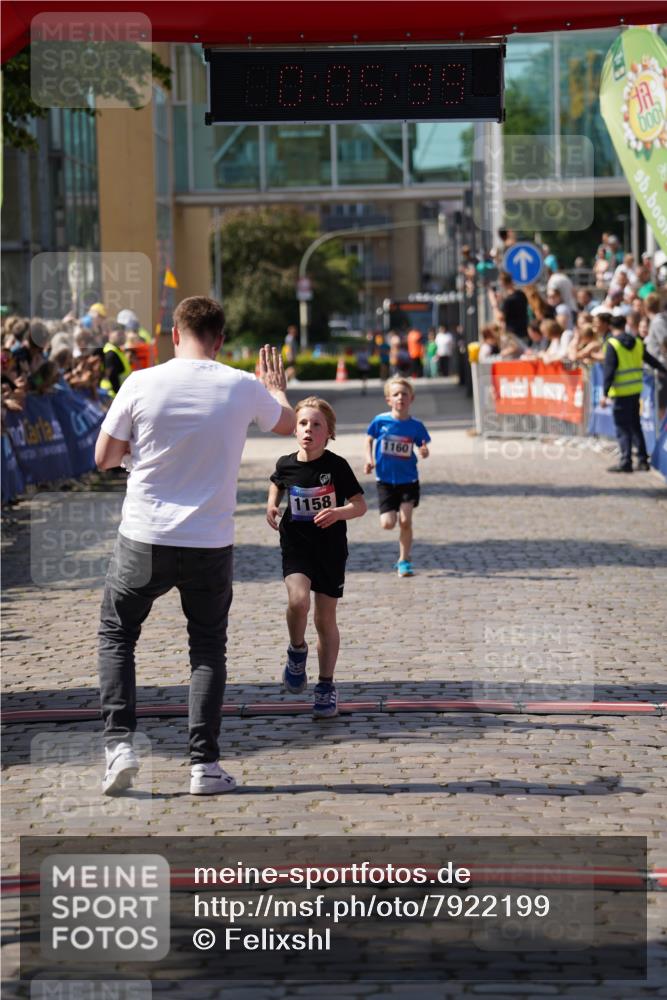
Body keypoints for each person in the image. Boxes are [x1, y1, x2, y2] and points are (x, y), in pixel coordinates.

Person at [95, 296, 295, 796]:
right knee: (207, 648)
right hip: (209, 540)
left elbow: (102, 457)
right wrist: (276, 389)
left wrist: (132, 456)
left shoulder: (140, 382)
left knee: (118, 635)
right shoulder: (242, 386)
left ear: (174, 333)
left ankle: (119, 745)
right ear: (220, 340)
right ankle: (204, 766)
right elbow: (290, 426)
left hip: (144, 535)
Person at [267, 397, 366, 719]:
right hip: (296, 545)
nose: (309, 429)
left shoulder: (336, 466)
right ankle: (297, 649)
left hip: (330, 550)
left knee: (325, 620)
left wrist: (338, 513)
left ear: (329, 433)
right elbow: (276, 484)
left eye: (317, 425)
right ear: (295, 430)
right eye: (303, 424)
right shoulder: (285, 463)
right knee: (298, 601)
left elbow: (359, 505)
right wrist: (271, 505)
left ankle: (325, 686)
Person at [365, 376, 430, 578]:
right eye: (396, 394)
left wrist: (424, 450)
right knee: (388, 523)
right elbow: (368, 440)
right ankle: (402, 558)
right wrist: (368, 459)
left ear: (411, 398)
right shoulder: (380, 421)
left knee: (405, 521)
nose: (400, 397)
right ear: (388, 399)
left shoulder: (416, 426)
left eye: (404, 394)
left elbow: (422, 444)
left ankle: (404, 560)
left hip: (408, 480)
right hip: (384, 480)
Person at [600, 314, 667, 472]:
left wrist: (604, 393)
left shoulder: (612, 344)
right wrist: (664, 370)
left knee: (622, 427)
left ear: (611, 327)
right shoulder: (637, 342)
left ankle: (626, 461)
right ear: (625, 325)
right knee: (635, 425)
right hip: (636, 390)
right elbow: (651, 360)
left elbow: (609, 371)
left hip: (620, 392)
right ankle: (643, 460)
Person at [100, 325, 132, 397]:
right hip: (111, 393)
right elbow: (111, 375)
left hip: (116, 393)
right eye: (119, 334)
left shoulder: (117, 350)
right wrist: (118, 393)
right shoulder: (111, 353)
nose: (122, 337)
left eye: (123, 334)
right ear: (110, 334)